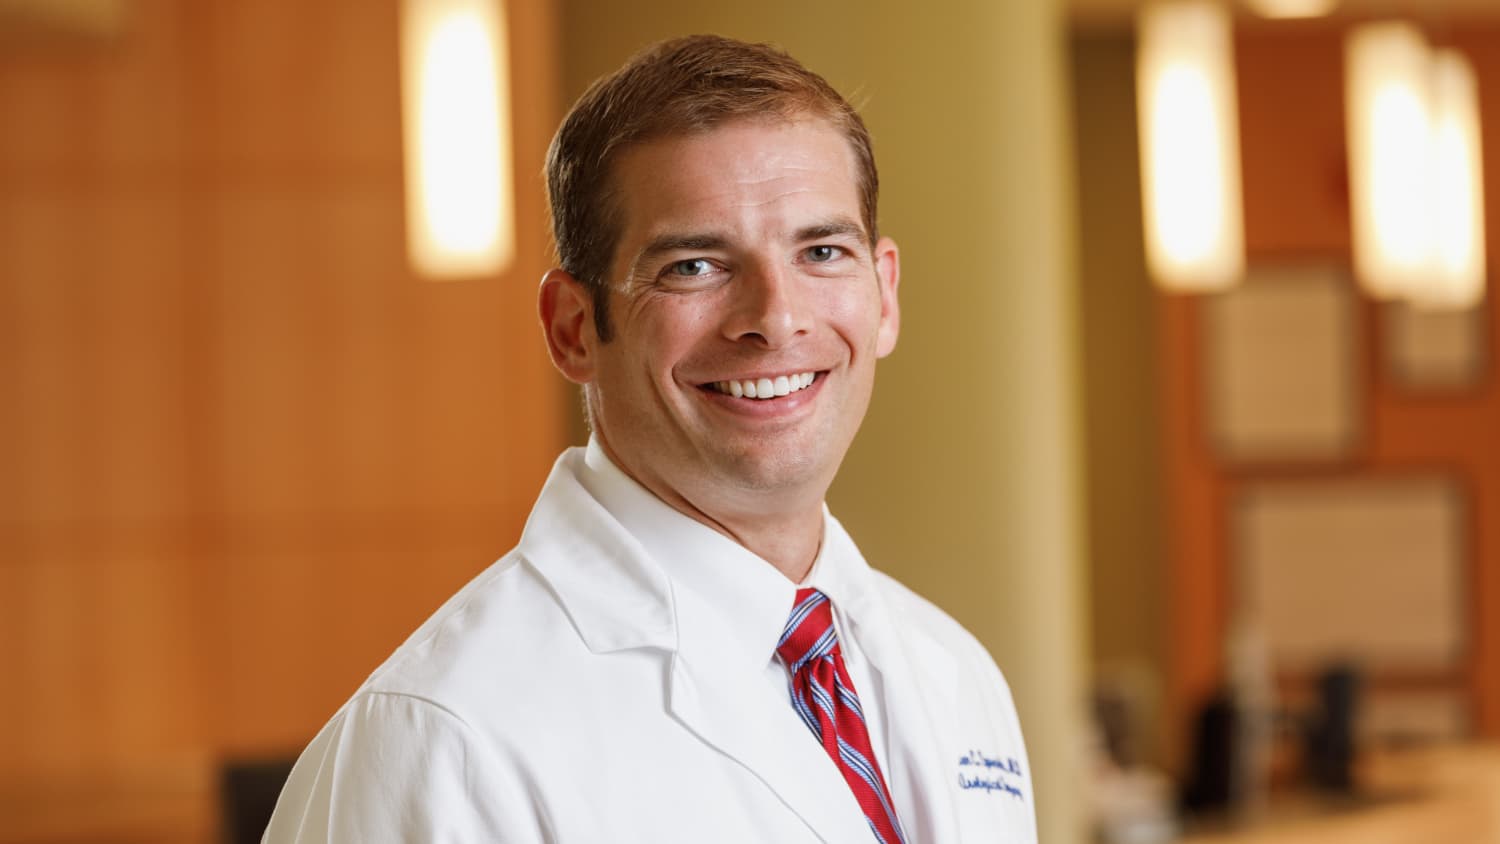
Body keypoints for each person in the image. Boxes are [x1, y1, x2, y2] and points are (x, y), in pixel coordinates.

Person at [265, 34, 1035, 843]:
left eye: (821, 251)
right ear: (572, 329)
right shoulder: (446, 740)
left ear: (884, 294)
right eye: (694, 266)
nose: (776, 318)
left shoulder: (953, 673)